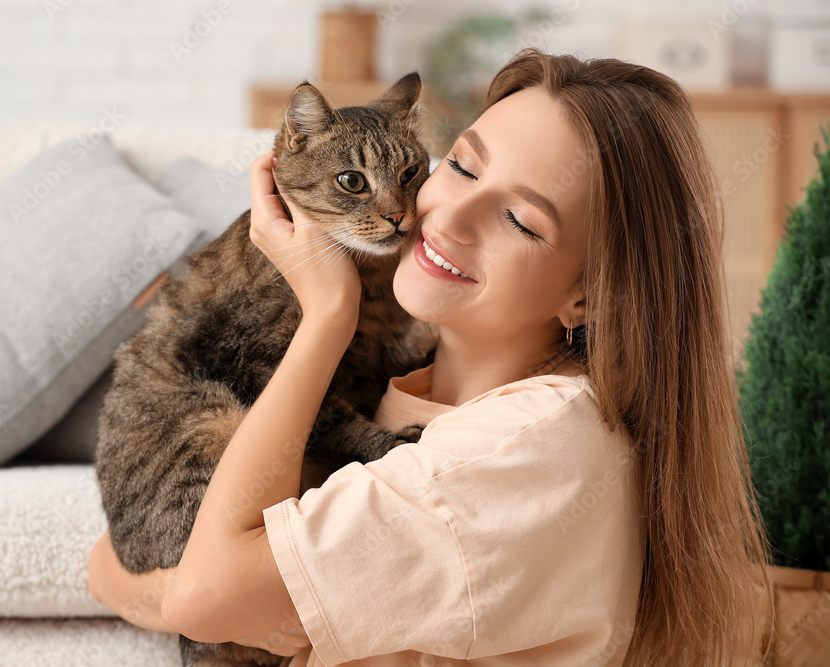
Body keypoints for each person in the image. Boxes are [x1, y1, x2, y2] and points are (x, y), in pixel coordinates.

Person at [88, 48, 775, 666]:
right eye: (465, 165)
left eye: (520, 220)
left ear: (589, 299)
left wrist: (328, 314)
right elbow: (106, 562)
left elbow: (201, 597)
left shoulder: (503, 460)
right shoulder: (421, 383)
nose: (441, 216)